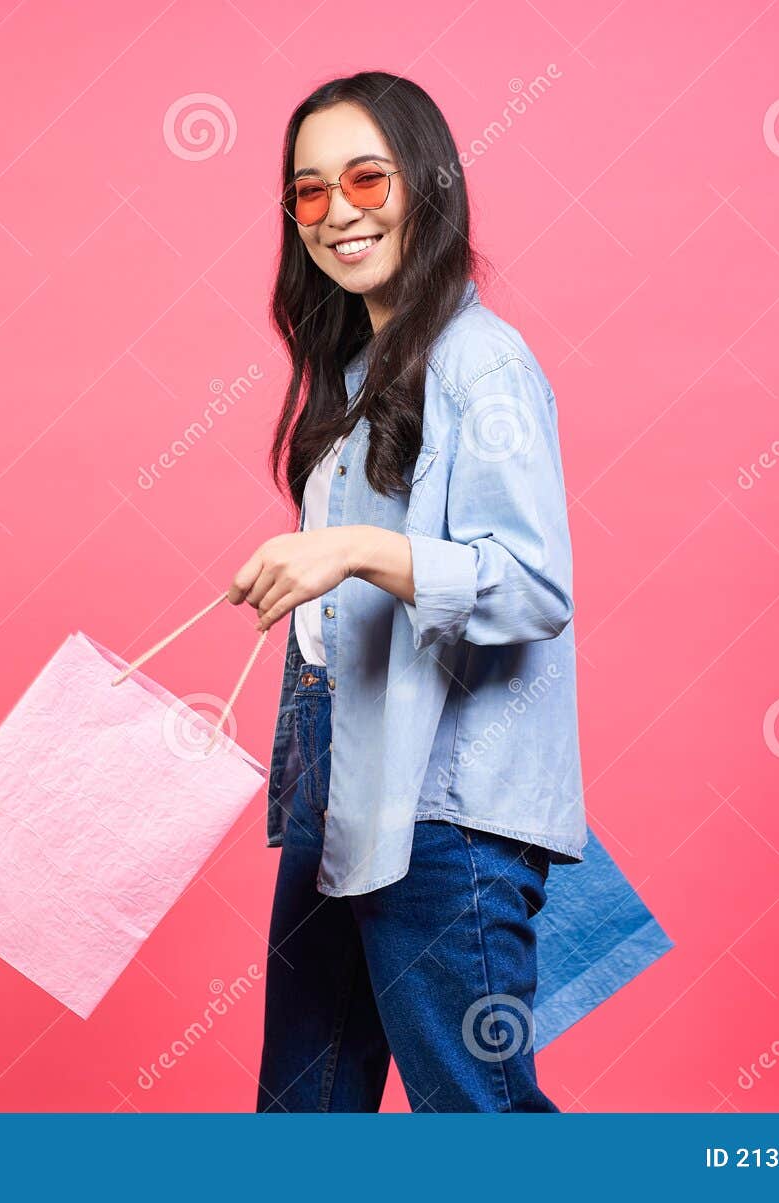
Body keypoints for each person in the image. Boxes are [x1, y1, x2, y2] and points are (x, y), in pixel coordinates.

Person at [227, 71, 586, 1113]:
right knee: (301, 1112)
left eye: (366, 178)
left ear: (426, 185)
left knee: (475, 1118)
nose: (337, 210)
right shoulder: (352, 377)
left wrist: (346, 553)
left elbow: (530, 584)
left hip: (442, 801)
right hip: (339, 785)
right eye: (308, 191)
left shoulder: (483, 365)